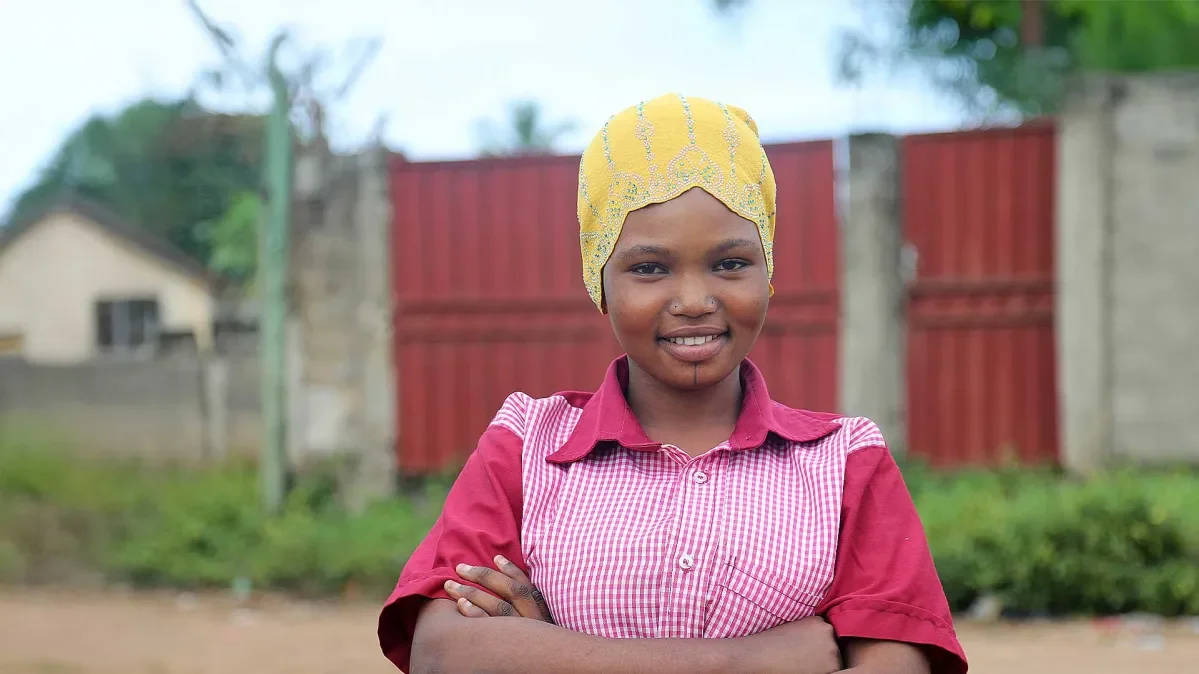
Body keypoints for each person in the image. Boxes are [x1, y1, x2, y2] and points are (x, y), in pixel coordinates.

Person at [378, 94, 968, 674]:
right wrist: (751, 660)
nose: (693, 301)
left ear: (769, 271)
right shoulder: (527, 446)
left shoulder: (842, 461)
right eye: (649, 269)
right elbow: (443, 652)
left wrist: (546, 648)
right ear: (599, 280)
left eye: (730, 263)